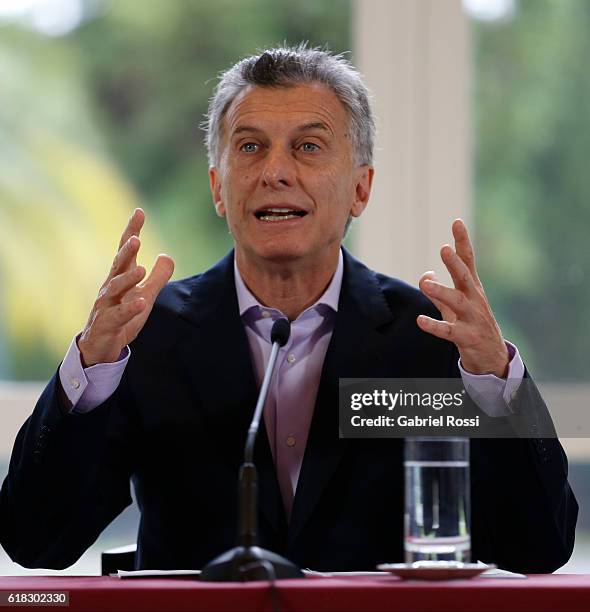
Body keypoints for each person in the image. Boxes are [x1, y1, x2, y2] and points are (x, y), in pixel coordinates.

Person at [0, 45, 577, 573]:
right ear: (219, 188)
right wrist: (91, 369)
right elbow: (36, 540)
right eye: (250, 147)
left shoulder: (424, 338)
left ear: (360, 188)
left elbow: (537, 548)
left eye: (308, 146)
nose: (276, 171)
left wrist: (493, 382)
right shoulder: (146, 336)